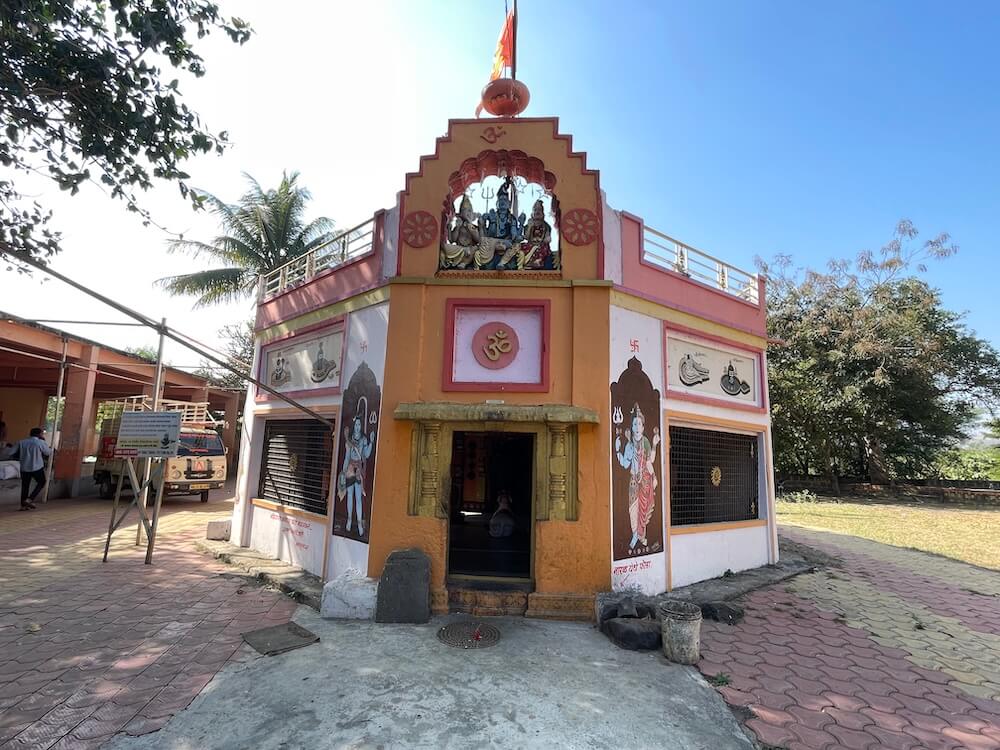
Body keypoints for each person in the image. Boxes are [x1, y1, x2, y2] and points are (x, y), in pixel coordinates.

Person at [15, 427, 51, 510]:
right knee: (42, 482)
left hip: (24, 467)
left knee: (25, 486)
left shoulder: (21, 442)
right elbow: (47, 452)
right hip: (37, 467)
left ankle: (23, 506)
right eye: (42, 433)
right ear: (39, 434)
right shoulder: (40, 442)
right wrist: (47, 446)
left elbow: (11, 452)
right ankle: (29, 499)